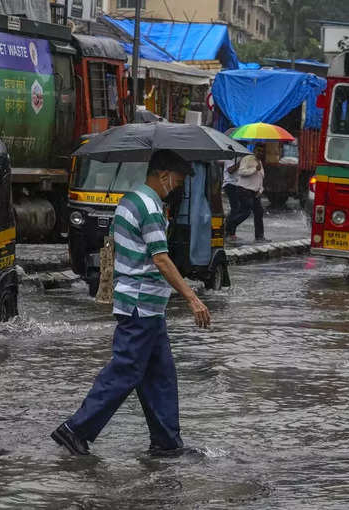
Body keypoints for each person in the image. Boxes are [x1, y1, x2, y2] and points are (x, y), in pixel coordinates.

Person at [52, 149, 212, 456]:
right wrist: (192, 298)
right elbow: (161, 259)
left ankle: (166, 443)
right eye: (176, 181)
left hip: (144, 304)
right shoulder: (150, 206)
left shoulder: (129, 200)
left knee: (160, 376)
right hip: (141, 305)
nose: (176, 187)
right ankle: (75, 429)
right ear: (163, 175)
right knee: (125, 370)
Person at [225, 144, 266, 242]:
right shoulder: (247, 159)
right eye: (258, 150)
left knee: (259, 212)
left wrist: (260, 190)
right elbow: (241, 172)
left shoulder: (259, 162)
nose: (260, 153)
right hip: (244, 190)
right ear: (254, 150)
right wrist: (254, 169)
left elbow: (260, 177)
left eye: (262, 151)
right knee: (245, 211)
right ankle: (229, 225)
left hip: (255, 192)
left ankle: (259, 236)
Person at [221, 157, 241, 241]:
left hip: (238, 184)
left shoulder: (240, 157)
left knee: (237, 209)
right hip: (230, 184)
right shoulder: (230, 157)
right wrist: (239, 163)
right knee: (235, 208)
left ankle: (229, 229)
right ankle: (229, 231)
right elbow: (230, 170)